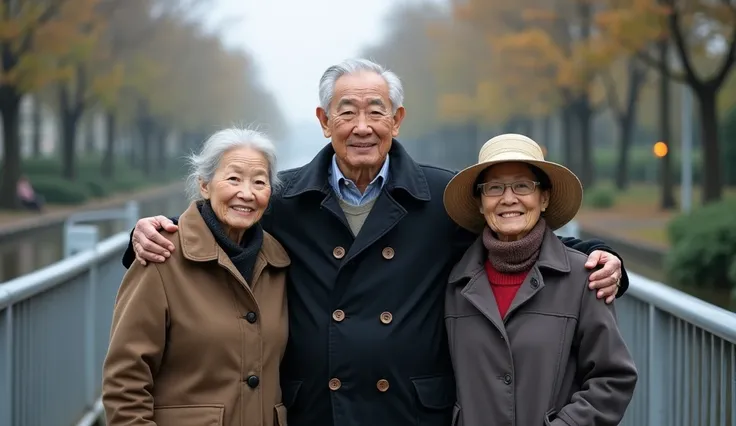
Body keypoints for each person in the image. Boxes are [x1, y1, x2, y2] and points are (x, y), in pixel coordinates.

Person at [120, 58, 629, 426]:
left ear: (397, 120)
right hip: (315, 409)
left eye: (376, 111)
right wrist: (149, 231)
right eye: (346, 112)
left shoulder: (443, 197)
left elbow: (517, 227)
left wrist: (602, 255)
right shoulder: (283, 197)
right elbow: (223, 218)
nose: (362, 126)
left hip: (412, 410)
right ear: (323, 123)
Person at [443, 134, 637, 426]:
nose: (509, 198)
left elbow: (612, 378)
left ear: (543, 198)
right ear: (481, 204)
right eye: (494, 188)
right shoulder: (454, 282)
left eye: (523, 185)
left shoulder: (583, 278)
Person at [102, 128, 291, 426]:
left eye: (259, 182)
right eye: (233, 178)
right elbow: (125, 381)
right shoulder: (162, 255)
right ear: (204, 184)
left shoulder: (278, 263)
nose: (247, 193)